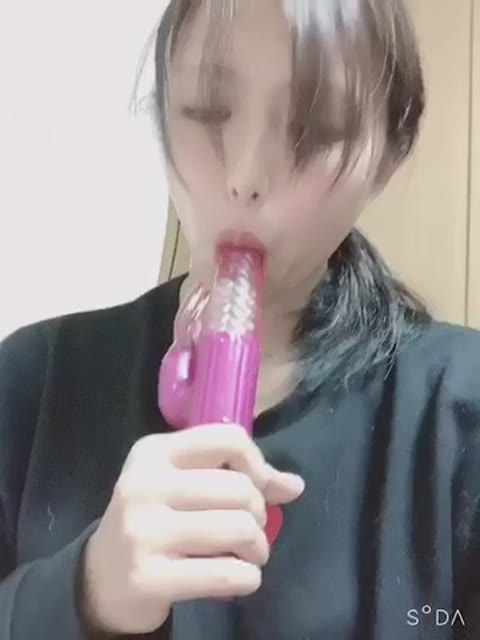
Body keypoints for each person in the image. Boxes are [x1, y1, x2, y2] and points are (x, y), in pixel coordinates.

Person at [1, 0, 479, 638]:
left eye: (316, 129)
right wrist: (83, 592)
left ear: (387, 162)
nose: (246, 177)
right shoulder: (30, 380)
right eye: (206, 110)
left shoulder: (460, 409)